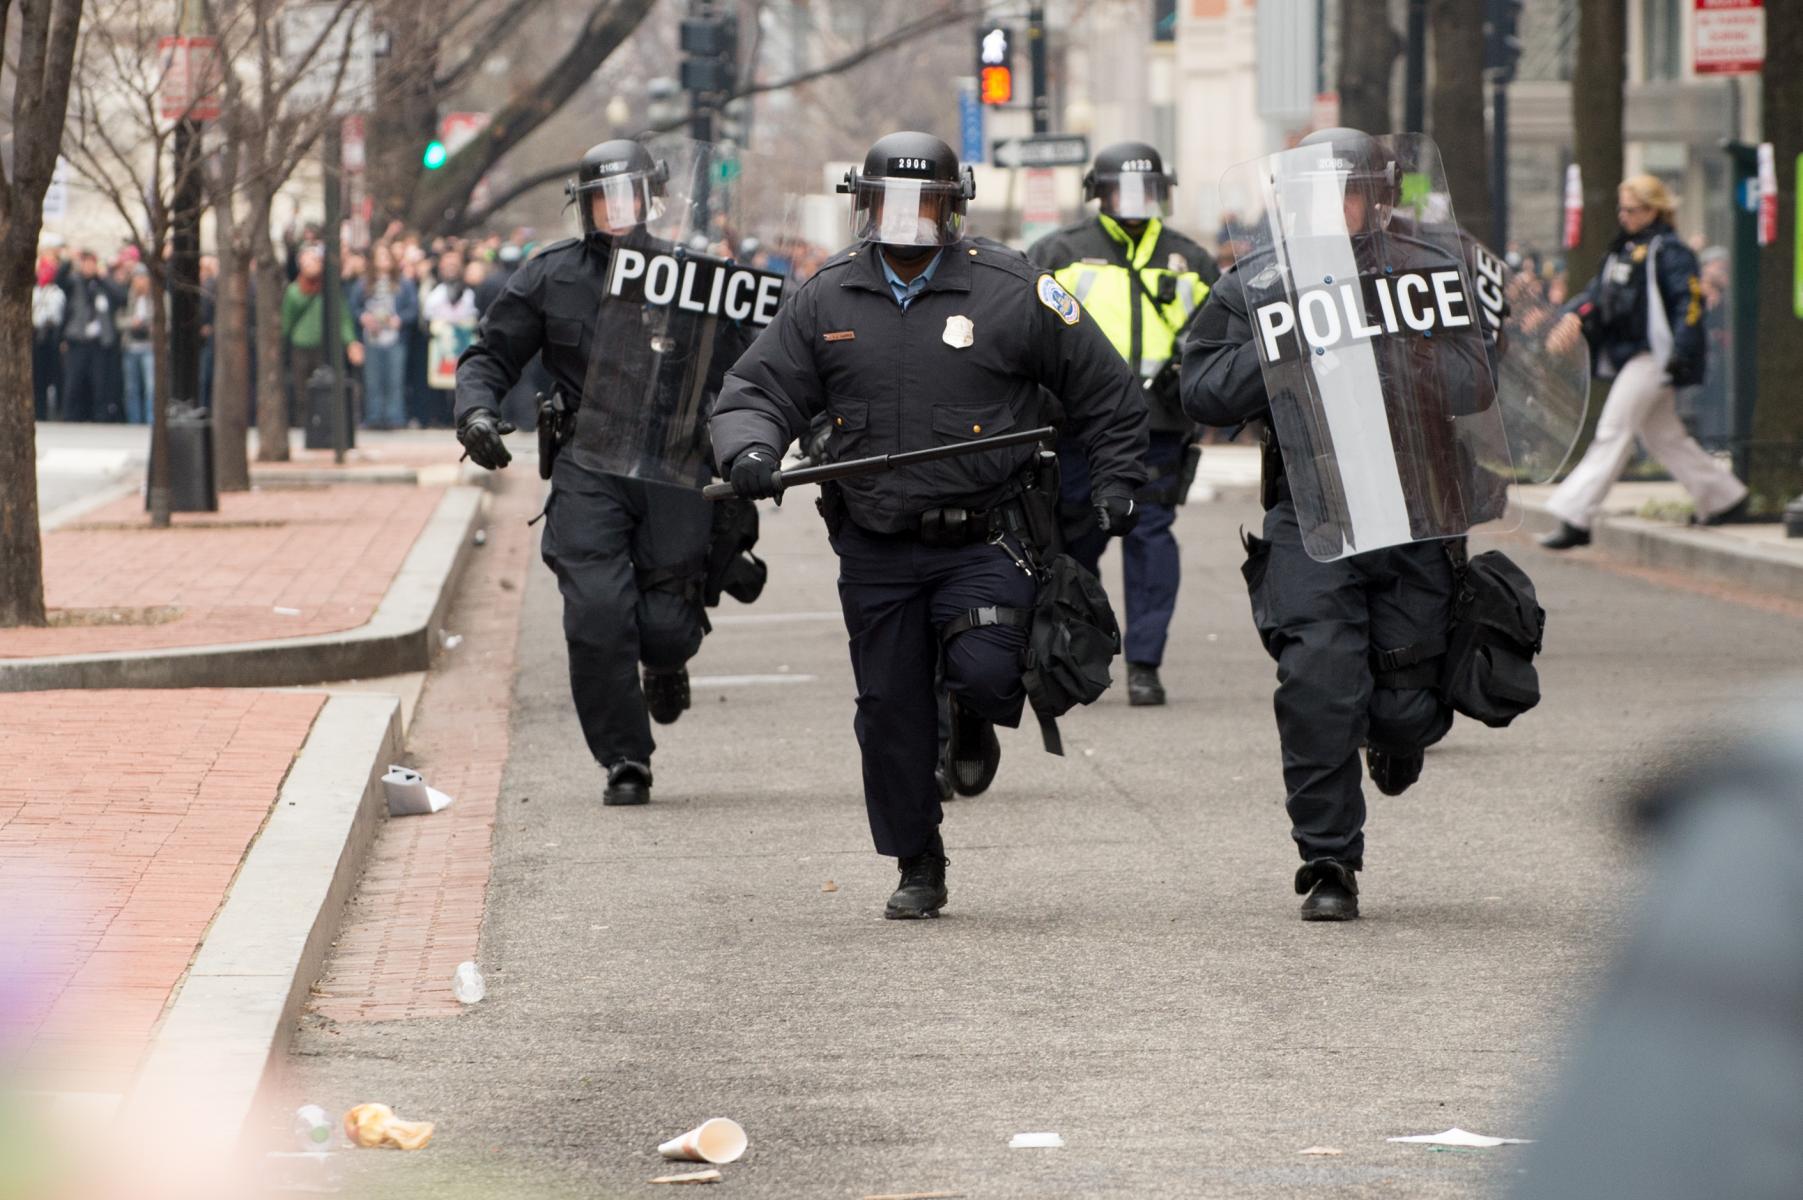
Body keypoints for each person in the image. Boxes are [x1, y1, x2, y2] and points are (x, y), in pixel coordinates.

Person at [711, 131, 1148, 920]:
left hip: (986, 534)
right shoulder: (826, 296)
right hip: (875, 540)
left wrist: (1118, 483)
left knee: (984, 667)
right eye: (889, 204)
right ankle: (918, 858)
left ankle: (969, 712)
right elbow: (757, 390)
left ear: (956, 208)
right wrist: (749, 448)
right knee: (886, 711)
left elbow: (1108, 391)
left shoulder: (1013, 289)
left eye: (926, 206)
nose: (906, 223)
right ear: (863, 205)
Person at [1180, 128, 1494, 921]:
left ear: (1379, 196)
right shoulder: (1257, 282)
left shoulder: (1429, 272)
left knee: (1404, 705)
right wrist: (1287, 341)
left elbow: (1474, 380)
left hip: (1415, 503)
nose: (1330, 208)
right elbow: (1203, 392)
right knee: (1317, 679)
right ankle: (1327, 862)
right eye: (1313, 195)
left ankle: (1395, 735)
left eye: (1346, 191)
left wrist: (1388, 340)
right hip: (1312, 508)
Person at [455, 138, 748, 807]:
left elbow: (757, 361)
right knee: (595, 614)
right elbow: (489, 355)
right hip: (590, 460)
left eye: (627, 197)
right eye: (601, 199)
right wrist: (476, 412)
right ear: (583, 207)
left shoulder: (693, 275)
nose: (615, 211)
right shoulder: (549, 276)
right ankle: (624, 758)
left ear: (650, 201)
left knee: (666, 624)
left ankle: (667, 660)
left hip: (673, 463)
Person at [1027, 141, 1218, 707]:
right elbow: (1026, 332)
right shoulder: (1059, 250)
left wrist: (1189, 380)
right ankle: (1075, 651)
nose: (1135, 202)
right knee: (1073, 538)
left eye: (1147, 191)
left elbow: (1217, 340)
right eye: (1121, 190)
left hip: (1157, 424)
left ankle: (1144, 662)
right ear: (1098, 193)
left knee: (1150, 534)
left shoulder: (1191, 260)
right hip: (1079, 422)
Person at [1539, 175, 1748, 548]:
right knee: (1664, 436)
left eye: (1632, 209)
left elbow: (1689, 302)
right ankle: (1725, 497)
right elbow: (1597, 295)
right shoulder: (1625, 249)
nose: (1624, 215)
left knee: (1613, 431)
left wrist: (1682, 352)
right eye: (1622, 208)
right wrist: (1573, 316)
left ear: (1654, 209)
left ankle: (1576, 515)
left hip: (1654, 356)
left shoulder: (1670, 251)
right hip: (1637, 355)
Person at [281, 245, 362, 426]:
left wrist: (351, 342)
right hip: (300, 346)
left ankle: (324, 424)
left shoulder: (330, 289)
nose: (312, 264)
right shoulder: (294, 291)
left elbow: (342, 317)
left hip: (324, 346)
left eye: (315, 260)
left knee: (327, 387)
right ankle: (304, 424)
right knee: (302, 390)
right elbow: (287, 321)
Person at [349, 243, 418, 430]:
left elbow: (413, 309)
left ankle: (395, 417)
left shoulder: (404, 283)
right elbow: (353, 307)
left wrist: (400, 320)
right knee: (373, 380)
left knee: (395, 379)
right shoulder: (363, 284)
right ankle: (374, 417)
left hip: (395, 338)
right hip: (371, 337)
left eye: (386, 256)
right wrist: (363, 317)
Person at [58, 250, 123, 423]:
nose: (89, 267)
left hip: (99, 342)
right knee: (74, 381)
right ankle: (71, 415)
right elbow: (59, 280)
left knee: (100, 381)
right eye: (86, 264)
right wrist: (69, 260)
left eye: (91, 263)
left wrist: (102, 277)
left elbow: (120, 296)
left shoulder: (102, 284)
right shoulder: (74, 282)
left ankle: (100, 416)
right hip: (78, 340)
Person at [121, 267, 156, 425]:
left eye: (143, 278)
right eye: (137, 278)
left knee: (151, 387)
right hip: (131, 345)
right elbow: (117, 319)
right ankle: (134, 420)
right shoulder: (126, 297)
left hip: (149, 345)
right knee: (131, 388)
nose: (140, 282)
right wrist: (131, 322)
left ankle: (150, 419)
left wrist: (152, 326)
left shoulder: (157, 298)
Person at [32, 256, 65, 421]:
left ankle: (50, 413)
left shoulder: (56, 293)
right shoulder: (35, 291)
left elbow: (55, 316)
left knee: (51, 378)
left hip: (50, 336)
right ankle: (37, 411)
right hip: (35, 336)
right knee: (35, 378)